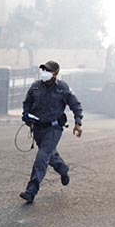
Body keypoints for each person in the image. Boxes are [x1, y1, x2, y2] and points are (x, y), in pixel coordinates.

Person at [20, 61, 83, 203]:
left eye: (48, 70)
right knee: (50, 156)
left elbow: (75, 105)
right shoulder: (36, 86)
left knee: (42, 157)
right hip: (38, 128)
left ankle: (31, 191)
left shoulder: (62, 88)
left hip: (53, 128)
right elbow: (27, 102)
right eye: (43, 70)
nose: (44, 72)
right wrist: (26, 116)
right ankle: (63, 169)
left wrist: (78, 123)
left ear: (55, 73)